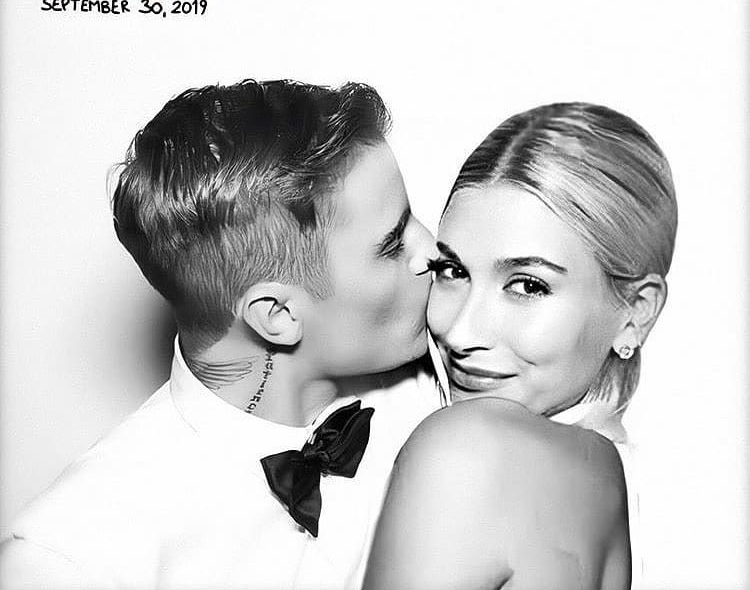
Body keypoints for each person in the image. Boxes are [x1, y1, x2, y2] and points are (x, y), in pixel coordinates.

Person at [0, 80, 443, 589]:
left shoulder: (456, 375)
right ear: (277, 314)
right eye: (393, 244)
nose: (432, 250)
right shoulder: (70, 560)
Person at [363, 102, 677, 590]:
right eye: (453, 271)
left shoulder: (469, 449)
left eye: (529, 285)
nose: (461, 333)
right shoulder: (605, 481)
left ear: (636, 312)